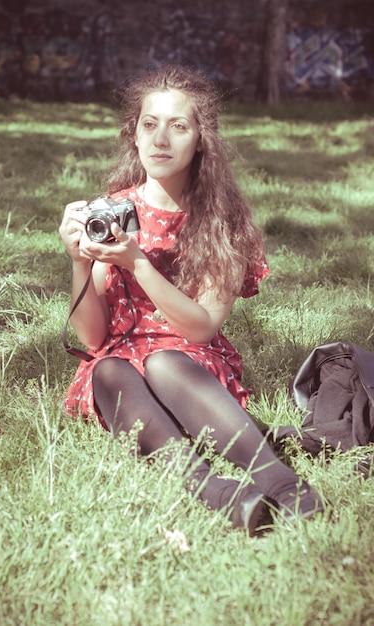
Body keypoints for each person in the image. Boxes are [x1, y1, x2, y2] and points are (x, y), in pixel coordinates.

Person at [59, 64, 324, 535]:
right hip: (121, 368)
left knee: (163, 361)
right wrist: (80, 261)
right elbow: (93, 337)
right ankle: (216, 492)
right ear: (134, 136)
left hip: (188, 362)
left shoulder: (223, 221)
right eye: (149, 124)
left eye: (178, 126)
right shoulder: (114, 211)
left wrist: (138, 263)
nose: (161, 138)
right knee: (106, 367)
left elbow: (201, 327)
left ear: (201, 139)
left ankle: (284, 485)